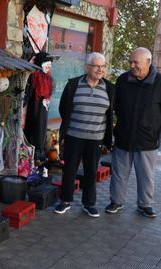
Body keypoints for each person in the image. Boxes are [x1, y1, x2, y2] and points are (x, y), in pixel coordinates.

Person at [105, 47, 161, 218]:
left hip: (147, 140)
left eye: (136, 62)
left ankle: (145, 205)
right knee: (119, 174)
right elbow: (116, 106)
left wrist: (151, 126)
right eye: (130, 62)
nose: (132, 65)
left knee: (146, 176)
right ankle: (116, 201)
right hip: (124, 137)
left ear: (149, 63)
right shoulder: (122, 80)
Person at [54, 52, 114, 218]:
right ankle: (65, 201)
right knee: (69, 170)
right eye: (96, 66)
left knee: (91, 171)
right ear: (87, 67)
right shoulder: (74, 85)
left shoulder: (109, 88)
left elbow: (109, 114)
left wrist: (108, 139)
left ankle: (89, 204)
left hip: (96, 139)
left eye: (103, 66)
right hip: (74, 136)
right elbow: (63, 108)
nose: (100, 69)